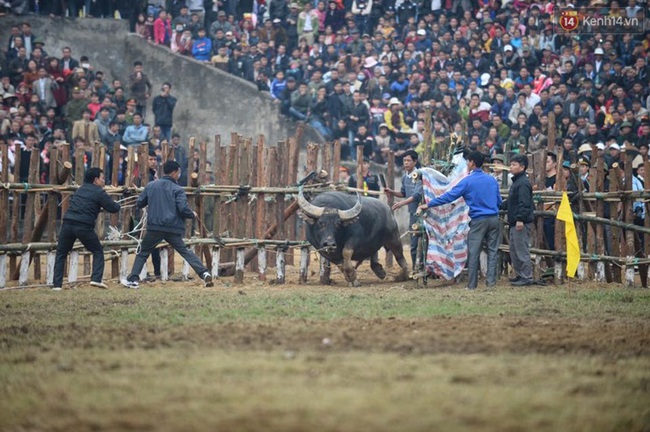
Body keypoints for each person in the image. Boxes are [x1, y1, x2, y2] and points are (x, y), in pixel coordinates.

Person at [122, 161, 214, 289]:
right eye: (179, 172)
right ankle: (204, 273)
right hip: (173, 228)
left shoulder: (151, 186)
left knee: (143, 252)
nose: (179, 175)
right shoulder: (178, 189)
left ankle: (133, 279)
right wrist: (192, 214)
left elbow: (140, 203)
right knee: (185, 251)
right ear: (174, 172)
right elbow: (182, 209)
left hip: (155, 227)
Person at [418, 151, 502, 290]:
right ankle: (491, 283)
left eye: (468, 162)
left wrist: (429, 204)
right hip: (494, 219)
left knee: (474, 253)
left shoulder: (468, 181)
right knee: (493, 251)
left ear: (472, 163)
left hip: (478, 220)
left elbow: (449, 196)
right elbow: (498, 201)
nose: (467, 164)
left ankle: (472, 285)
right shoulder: (491, 180)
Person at [52, 168, 120, 291]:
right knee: (98, 251)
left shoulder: (80, 190)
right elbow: (113, 208)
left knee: (61, 253)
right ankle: (96, 279)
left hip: (67, 223)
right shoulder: (99, 192)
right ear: (96, 180)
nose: (104, 181)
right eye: (102, 178)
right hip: (83, 226)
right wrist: (120, 200)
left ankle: (57, 285)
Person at [384, 150, 423, 269]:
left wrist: (402, 203)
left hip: (423, 213)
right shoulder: (405, 177)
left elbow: (417, 195)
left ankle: (423, 267)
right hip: (413, 213)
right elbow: (403, 193)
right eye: (404, 161)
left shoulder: (420, 175)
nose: (406, 163)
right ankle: (415, 268)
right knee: (413, 243)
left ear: (415, 161)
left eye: (408, 161)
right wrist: (392, 192)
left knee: (424, 242)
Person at [502, 154, 534, 286]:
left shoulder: (523, 183)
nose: (511, 167)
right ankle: (520, 275)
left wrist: (520, 219)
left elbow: (524, 203)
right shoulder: (517, 182)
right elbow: (511, 202)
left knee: (521, 250)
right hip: (514, 221)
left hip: (520, 222)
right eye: (511, 164)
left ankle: (527, 277)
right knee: (514, 250)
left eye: (514, 165)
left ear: (522, 167)